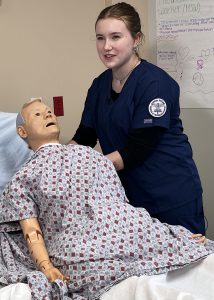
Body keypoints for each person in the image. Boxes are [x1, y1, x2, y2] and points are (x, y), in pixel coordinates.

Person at [0, 99, 212, 300]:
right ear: (22, 131)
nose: (48, 113)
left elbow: (119, 204)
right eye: (37, 114)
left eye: (49, 111)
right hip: (78, 243)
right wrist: (47, 267)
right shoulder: (23, 179)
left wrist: (168, 235)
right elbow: (31, 233)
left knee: (190, 247)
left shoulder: (92, 156)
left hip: (124, 230)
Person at [68, 2, 206, 235]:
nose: (106, 46)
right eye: (100, 38)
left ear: (136, 39)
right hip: (130, 199)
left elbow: (137, 149)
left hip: (170, 194)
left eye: (115, 37)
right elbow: (85, 136)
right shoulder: (99, 85)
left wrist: (82, 169)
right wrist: (57, 159)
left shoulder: (155, 84)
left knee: (187, 265)